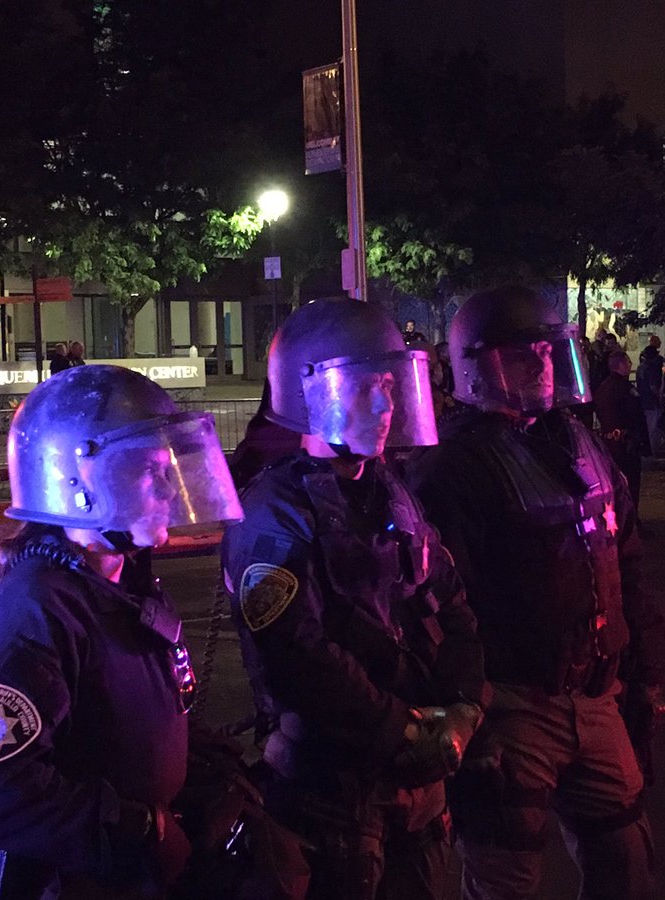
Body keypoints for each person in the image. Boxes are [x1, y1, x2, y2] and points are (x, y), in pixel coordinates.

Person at [220, 297, 489, 900]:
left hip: (414, 787)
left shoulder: (392, 491)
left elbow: (450, 601)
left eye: (392, 388)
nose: (386, 406)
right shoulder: (272, 515)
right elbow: (300, 659)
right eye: (366, 388)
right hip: (331, 794)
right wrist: (403, 730)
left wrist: (466, 702)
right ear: (309, 393)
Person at [408, 286, 665, 900]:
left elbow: (624, 558)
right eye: (522, 357)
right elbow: (442, 604)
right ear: (478, 367)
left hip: (596, 691)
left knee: (627, 857)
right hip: (513, 700)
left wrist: (644, 663)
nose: (542, 367)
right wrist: (470, 708)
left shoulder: (579, 444)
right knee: (507, 872)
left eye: (548, 354)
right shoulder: (450, 465)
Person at [0, 365, 244, 898]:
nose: (167, 487)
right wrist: (135, 829)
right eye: (144, 469)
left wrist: (208, 774)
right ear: (76, 481)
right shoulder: (37, 610)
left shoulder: (123, 581)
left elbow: (135, 724)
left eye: (168, 467)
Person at [595, 349, 650, 517]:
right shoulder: (625, 388)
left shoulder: (602, 388)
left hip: (608, 444)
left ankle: (616, 520)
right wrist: (644, 444)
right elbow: (636, 417)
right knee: (631, 485)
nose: (630, 365)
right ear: (620, 365)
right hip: (627, 445)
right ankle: (632, 521)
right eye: (627, 362)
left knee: (614, 484)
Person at [635, 336, 664, 457]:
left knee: (648, 425)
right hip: (651, 401)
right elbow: (653, 387)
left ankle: (649, 451)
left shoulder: (640, 367)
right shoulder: (651, 368)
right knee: (652, 428)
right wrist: (659, 397)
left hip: (643, 399)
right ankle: (651, 452)